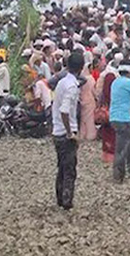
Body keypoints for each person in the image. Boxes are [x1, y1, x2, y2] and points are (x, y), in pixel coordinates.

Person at [52, 52, 84, 210]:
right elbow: (65, 111)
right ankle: (67, 200)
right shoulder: (72, 86)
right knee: (70, 168)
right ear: (81, 68)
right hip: (66, 133)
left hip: (57, 131)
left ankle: (59, 197)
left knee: (62, 167)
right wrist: (70, 132)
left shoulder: (61, 82)